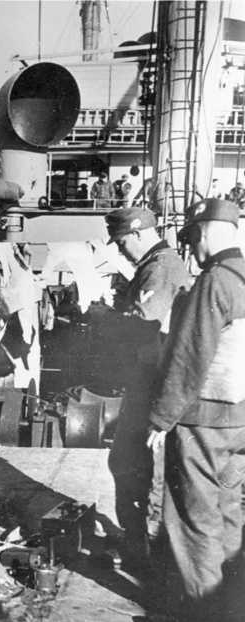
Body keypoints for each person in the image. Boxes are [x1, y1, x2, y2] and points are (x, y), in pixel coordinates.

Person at [147, 198, 245, 622]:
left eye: (192, 239)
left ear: (204, 232)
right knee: (229, 510)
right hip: (240, 420)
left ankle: (201, 619)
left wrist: (161, 418)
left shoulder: (214, 282)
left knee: (194, 516)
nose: (192, 249)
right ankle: (231, 608)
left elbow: (189, 357)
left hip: (204, 420)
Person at [104, 207, 190, 568]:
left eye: (122, 242)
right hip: (151, 380)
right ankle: (140, 540)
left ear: (138, 234)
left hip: (150, 382)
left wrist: (109, 320)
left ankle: (142, 547)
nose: (120, 250)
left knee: (132, 462)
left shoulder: (159, 267)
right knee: (133, 462)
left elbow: (144, 324)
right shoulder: (159, 264)